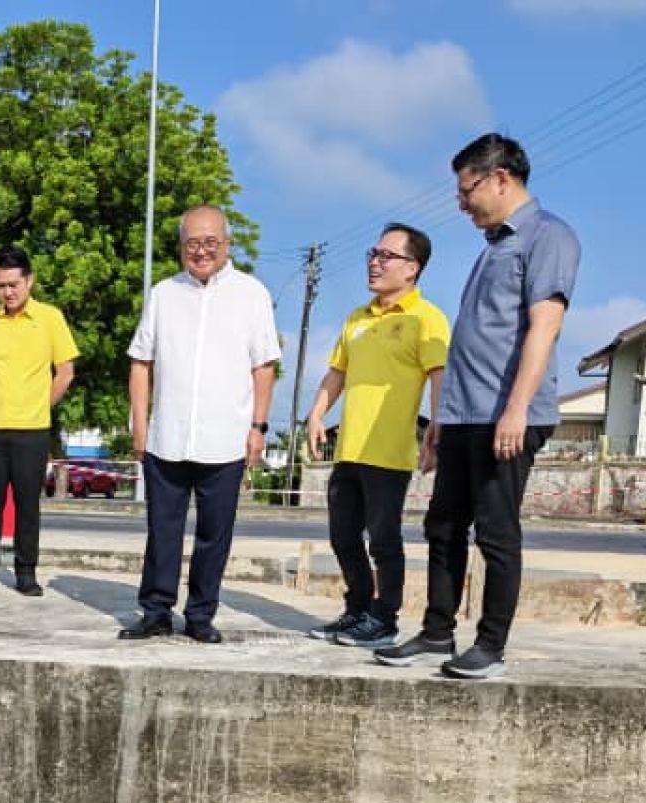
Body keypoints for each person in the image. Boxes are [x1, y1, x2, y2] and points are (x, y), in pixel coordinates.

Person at [378, 133, 579, 681]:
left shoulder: (548, 236)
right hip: (466, 415)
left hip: (506, 416)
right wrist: (442, 418)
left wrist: (516, 409)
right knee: (443, 526)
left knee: (495, 531)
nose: (462, 202)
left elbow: (543, 328)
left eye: (467, 190)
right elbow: (475, 340)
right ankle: (437, 631)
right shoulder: (494, 246)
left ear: (500, 179)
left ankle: (491, 645)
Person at [122, 206, 281, 643]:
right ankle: (156, 611)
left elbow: (264, 367)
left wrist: (258, 427)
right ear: (181, 246)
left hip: (226, 439)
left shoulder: (252, 294)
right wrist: (140, 426)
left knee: (215, 535)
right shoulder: (163, 294)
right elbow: (141, 363)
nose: (202, 251)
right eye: (192, 242)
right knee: (163, 532)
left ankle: (200, 615)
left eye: (211, 242)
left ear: (227, 244)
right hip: (167, 437)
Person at [302, 223, 449, 650]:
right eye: (374, 253)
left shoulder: (426, 318)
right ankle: (358, 610)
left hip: (389, 452)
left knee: (383, 541)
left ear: (412, 268)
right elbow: (337, 373)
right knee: (342, 537)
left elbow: (439, 376)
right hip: (350, 449)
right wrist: (316, 415)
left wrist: (437, 428)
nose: (375, 262)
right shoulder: (357, 318)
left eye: (387, 256)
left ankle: (384, 619)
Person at [0, 244, 79, 597]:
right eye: (1, 285)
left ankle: (26, 573)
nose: (8, 292)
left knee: (28, 505)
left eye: (13, 284)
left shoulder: (50, 318)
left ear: (29, 281)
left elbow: (65, 372)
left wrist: (41, 406)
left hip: (33, 430)